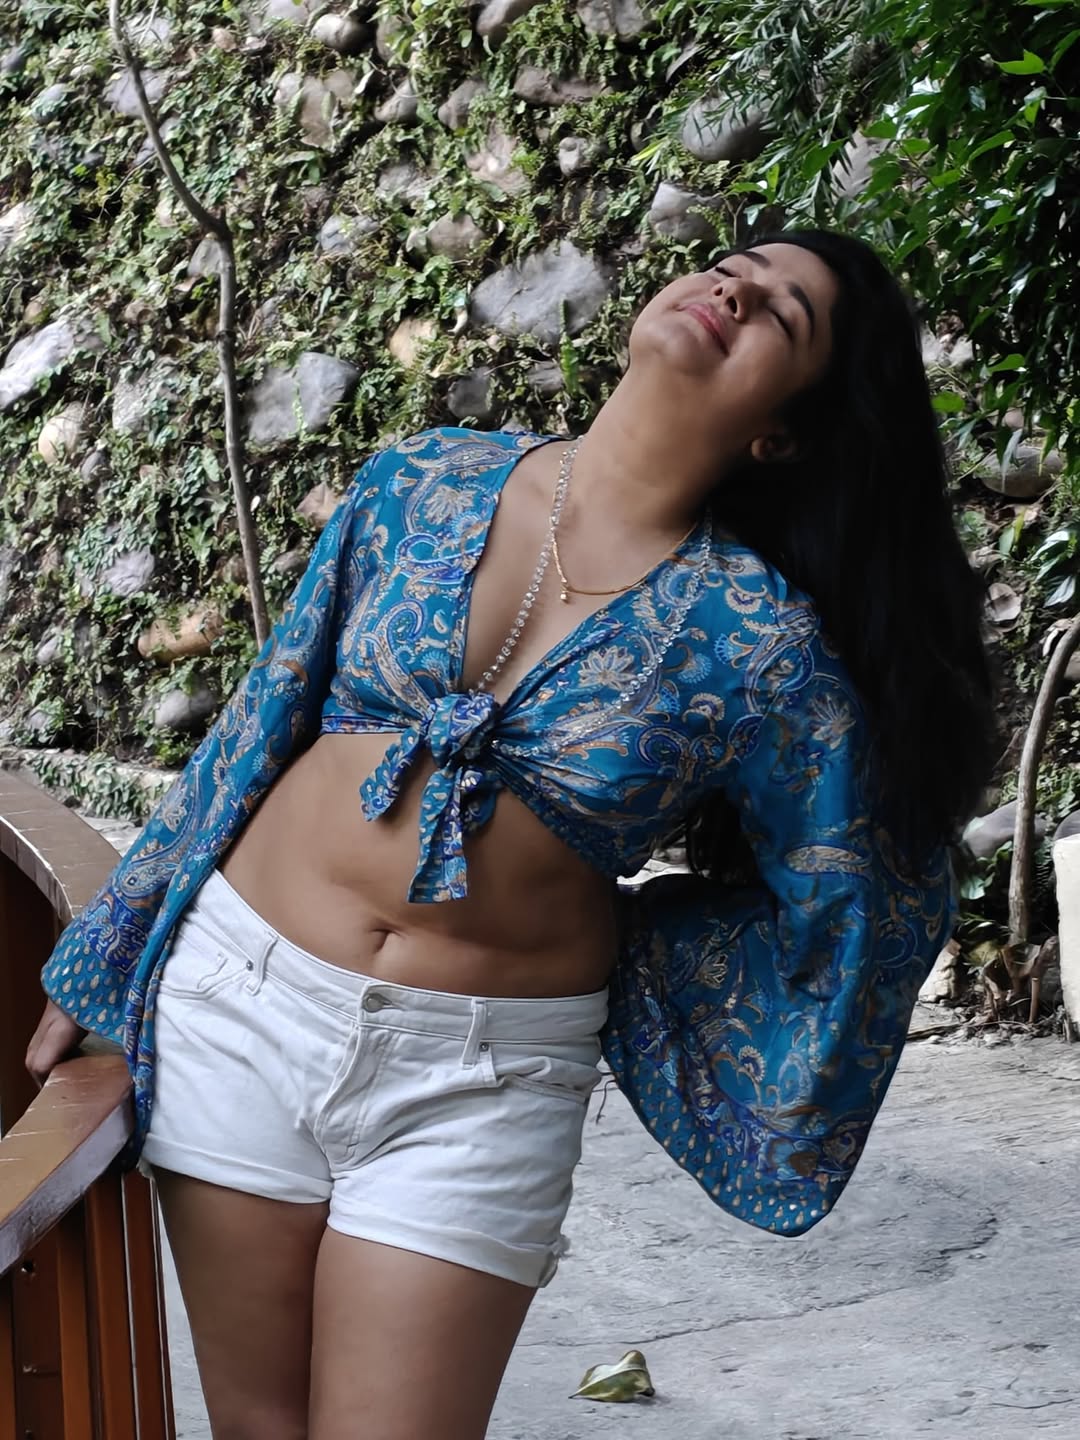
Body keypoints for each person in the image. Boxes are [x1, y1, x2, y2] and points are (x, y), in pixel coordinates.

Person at [27, 230, 994, 1440]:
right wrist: (116, 942)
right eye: (734, 265)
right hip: (242, 997)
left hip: (480, 1078)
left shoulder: (761, 644)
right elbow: (261, 718)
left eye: (781, 316)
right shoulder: (420, 477)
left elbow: (867, 891)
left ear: (782, 434)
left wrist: (644, 955)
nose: (736, 290)